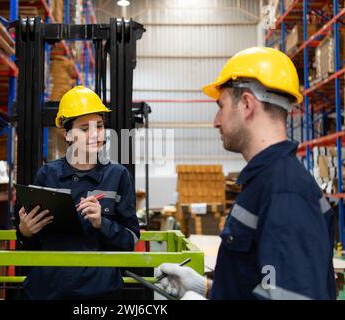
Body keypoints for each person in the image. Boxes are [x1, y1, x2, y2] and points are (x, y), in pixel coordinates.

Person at [156, 47, 336, 300]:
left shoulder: (284, 192)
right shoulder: (265, 183)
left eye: (221, 106)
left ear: (247, 104)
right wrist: (205, 288)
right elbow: (261, 283)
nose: (216, 121)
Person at [17, 86, 140, 300]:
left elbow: (130, 240)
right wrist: (25, 231)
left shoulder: (117, 176)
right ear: (67, 134)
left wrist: (103, 223)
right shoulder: (47, 176)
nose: (95, 135)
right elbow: (32, 244)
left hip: (99, 293)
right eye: (84, 129)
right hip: (48, 291)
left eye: (99, 126)